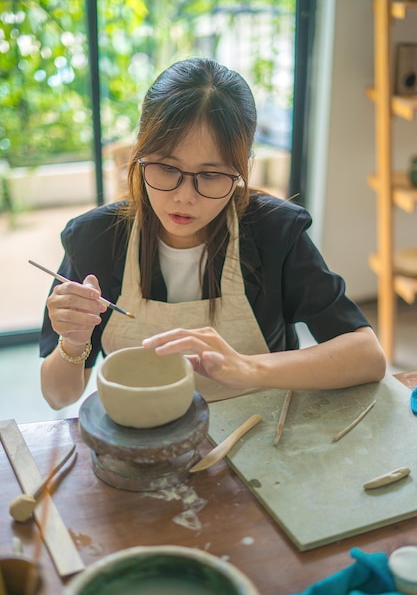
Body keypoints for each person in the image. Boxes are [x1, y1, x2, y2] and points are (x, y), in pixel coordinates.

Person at [39, 57, 386, 410]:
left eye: (211, 175)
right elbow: (58, 396)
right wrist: (72, 340)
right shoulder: (96, 238)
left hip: (260, 437)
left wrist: (249, 368)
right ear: (139, 154)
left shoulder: (273, 233)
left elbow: (367, 356)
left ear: (241, 169)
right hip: (145, 439)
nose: (184, 196)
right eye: (166, 167)